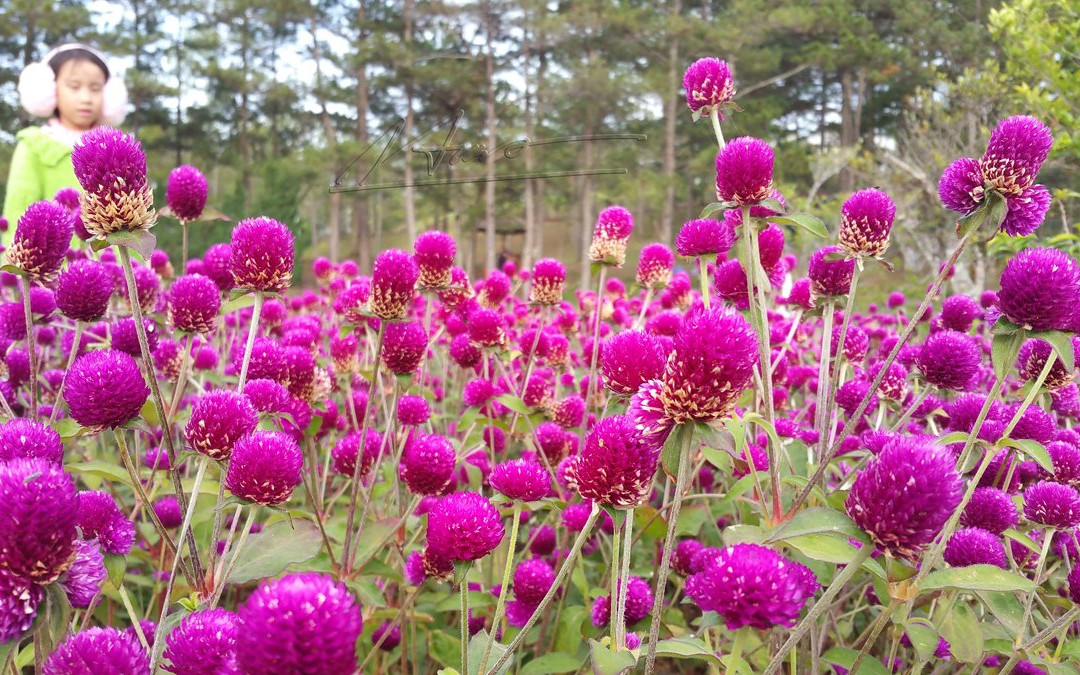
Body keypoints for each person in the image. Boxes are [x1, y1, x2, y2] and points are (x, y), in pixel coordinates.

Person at [2, 43, 128, 246]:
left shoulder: (117, 147)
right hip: (50, 266)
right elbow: (17, 212)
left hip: (115, 267)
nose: (86, 98)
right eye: (74, 87)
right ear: (50, 91)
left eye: (95, 89)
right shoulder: (35, 145)